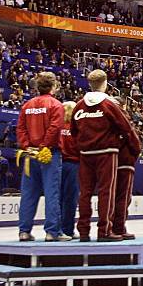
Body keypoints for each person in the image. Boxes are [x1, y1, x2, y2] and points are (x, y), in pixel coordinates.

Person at [71, 70, 141, 242]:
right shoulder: (109, 105)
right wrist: (136, 148)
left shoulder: (79, 106)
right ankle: (104, 231)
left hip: (86, 154)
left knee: (85, 193)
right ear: (105, 83)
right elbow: (126, 128)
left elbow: (73, 130)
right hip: (106, 153)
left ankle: (84, 231)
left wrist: (82, 145)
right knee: (106, 192)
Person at [16, 72, 70, 242]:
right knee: (52, 193)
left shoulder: (27, 105)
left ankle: (24, 231)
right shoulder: (56, 104)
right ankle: (52, 232)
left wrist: (27, 146)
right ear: (54, 87)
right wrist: (44, 147)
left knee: (28, 194)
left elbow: (20, 129)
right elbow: (54, 129)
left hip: (29, 154)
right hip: (49, 154)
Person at [112, 96, 141, 240]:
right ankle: (119, 227)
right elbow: (133, 139)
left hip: (110, 162)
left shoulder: (107, 119)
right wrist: (136, 152)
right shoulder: (123, 117)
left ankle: (111, 226)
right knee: (123, 197)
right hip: (124, 161)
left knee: (112, 196)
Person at [59, 101, 80, 238]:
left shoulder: (57, 126)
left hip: (58, 164)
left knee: (57, 198)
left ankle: (56, 229)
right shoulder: (77, 127)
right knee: (71, 199)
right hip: (74, 164)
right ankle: (68, 229)